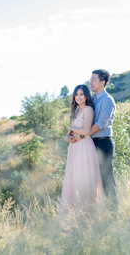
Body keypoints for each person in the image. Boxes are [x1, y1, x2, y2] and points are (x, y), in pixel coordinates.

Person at [57, 84, 105, 222]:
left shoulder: (88, 109)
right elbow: (71, 133)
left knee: (83, 180)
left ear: (86, 96)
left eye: (81, 94)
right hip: (74, 148)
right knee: (74, 181)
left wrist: (71, 128)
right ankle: (75, 218)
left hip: (84, 147)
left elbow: (86, 131)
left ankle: (89, 218)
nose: (78, 97)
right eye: (76, 94)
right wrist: (67, 137)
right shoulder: (76, 110)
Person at [73, 69, 118, 210]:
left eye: (94, 80)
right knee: (90, 180)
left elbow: (100, 124)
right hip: (90, 143)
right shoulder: (90, 99)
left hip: (103, 143)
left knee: (106, 179)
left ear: (102, 82)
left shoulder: (107, 100)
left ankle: (113, 212)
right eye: (90, 79)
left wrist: (81, 136)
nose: (90, 82)